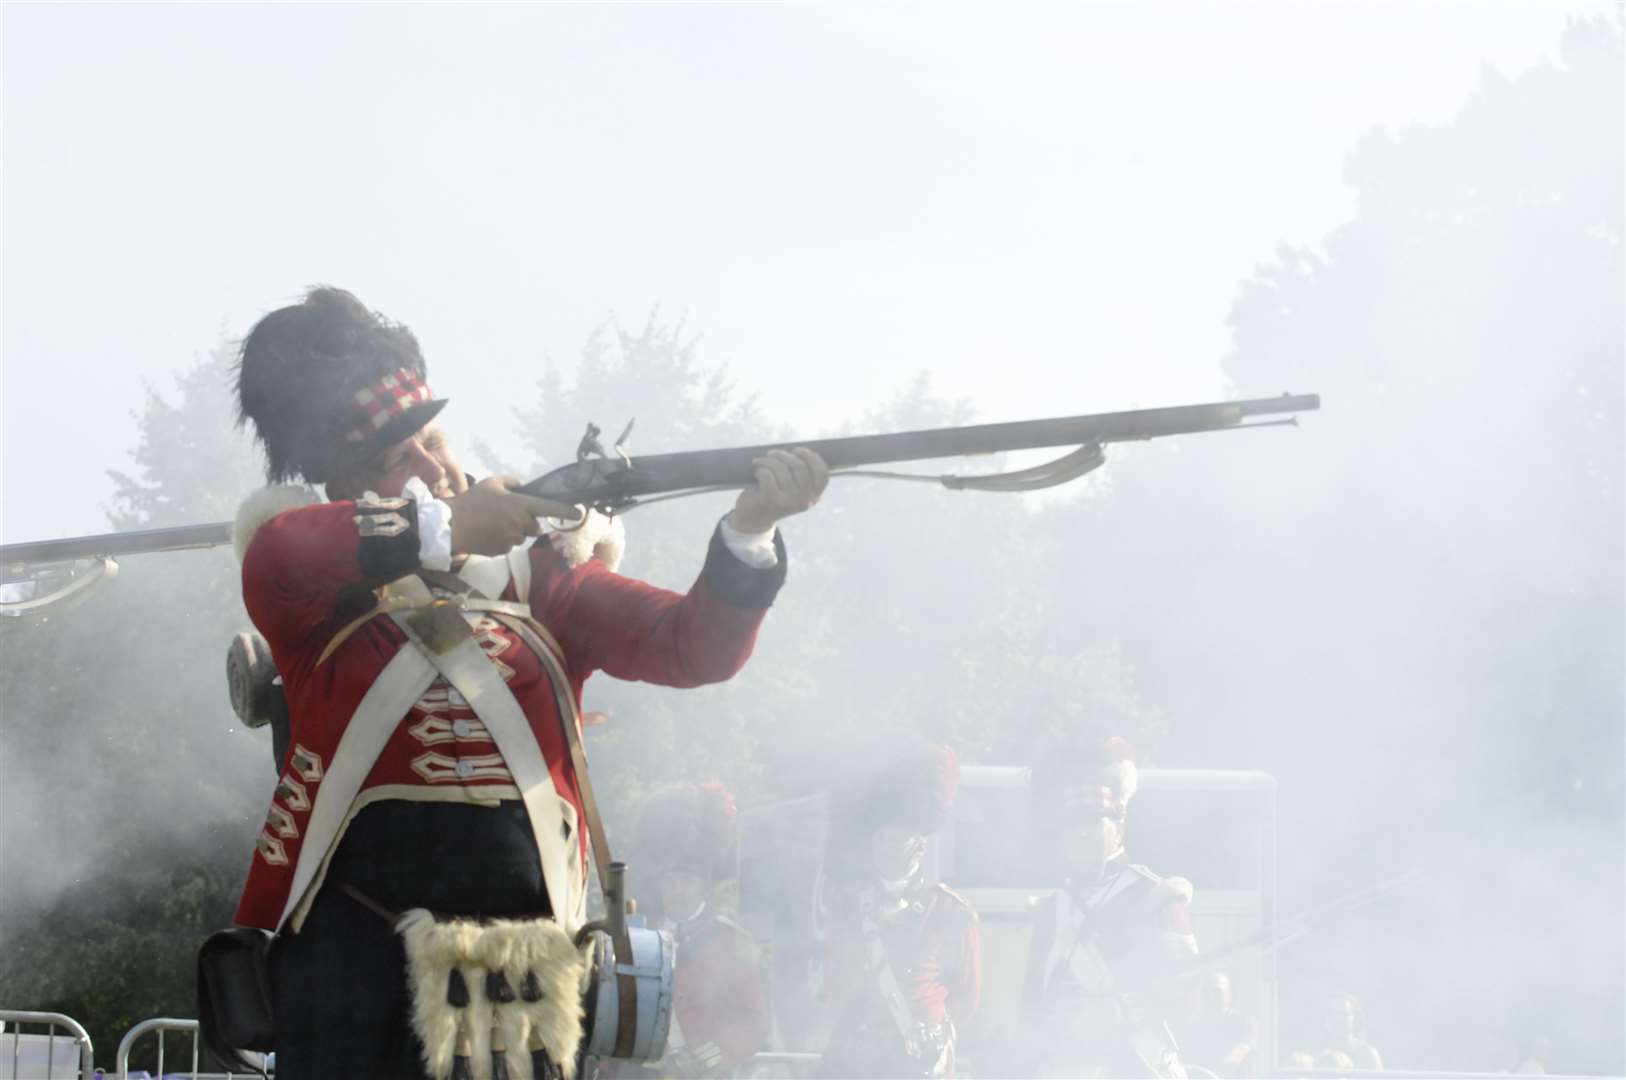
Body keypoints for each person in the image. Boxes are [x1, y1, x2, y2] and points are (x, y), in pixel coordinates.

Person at [229, 287, 828, 1078]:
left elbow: (693, 648)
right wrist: (447, 528)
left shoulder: (539, 576)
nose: (430, 468)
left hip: (529, 971)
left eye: (432, 440)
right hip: (355, 972)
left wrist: (750, 528)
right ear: (340, 482)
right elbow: (282, 552)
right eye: (391, 462)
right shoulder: (310, 582)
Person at [1018, 737, 1198, 1079]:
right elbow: (1033, 1003)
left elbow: (1183, 997)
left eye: (1092, 823)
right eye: (1072, 826)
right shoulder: (1051, 910)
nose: (1080, 835)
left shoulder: (1157, 896)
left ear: (1119, 829)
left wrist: (1113, 1014)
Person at [811, 742, 981, 1079]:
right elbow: (835, 980)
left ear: (919, 845)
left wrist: (926, 1029)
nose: (885, 849)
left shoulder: (951, 911)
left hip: (917, 1061)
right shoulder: (848, 908)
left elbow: (966, 998)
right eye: (880, 840)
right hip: (857, 1055)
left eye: (896, 840)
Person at [625, 783, 770, 1078]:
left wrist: (708, 1057)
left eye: (686, 880)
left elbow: (752, 1022)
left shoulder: (732, 942)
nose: (676, 890)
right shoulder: (641, 941)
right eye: (669, 881)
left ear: (704, 884)